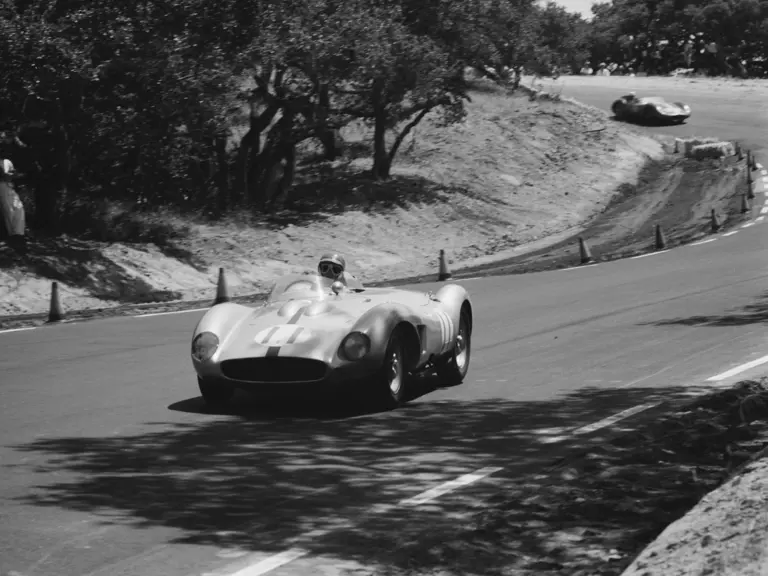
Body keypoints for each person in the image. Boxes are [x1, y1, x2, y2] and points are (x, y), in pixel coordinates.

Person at [0, 158, 26, 251]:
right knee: (9, 211)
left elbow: (9, 174)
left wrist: (14, 175)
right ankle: (14, 236)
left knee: (18, 209)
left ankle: (17, 235)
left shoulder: (6, 161)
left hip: (8, 186)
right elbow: (6, 175)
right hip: (3, 186)